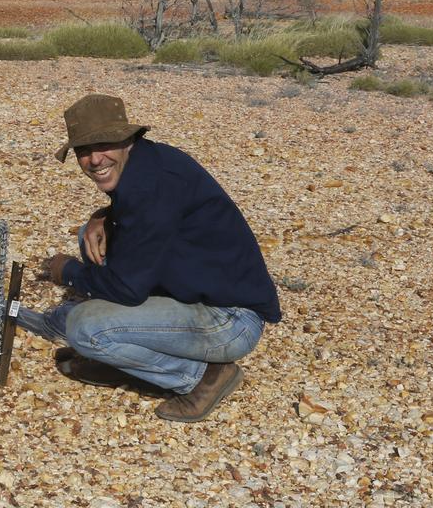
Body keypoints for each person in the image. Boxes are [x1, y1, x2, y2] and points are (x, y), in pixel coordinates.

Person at [16, 93, 282, 422]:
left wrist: (67, 271)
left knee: (84, 329)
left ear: (127, 140)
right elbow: (150, 217)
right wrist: (105, 214)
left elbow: (127, 289)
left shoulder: (149, 189)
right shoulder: (150, 163)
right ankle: (128, 362)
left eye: (103, 144)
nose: (95, 160)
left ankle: (199, 378)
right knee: (89, 234)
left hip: (229, 321)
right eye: (83, 151)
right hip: (206, 294)